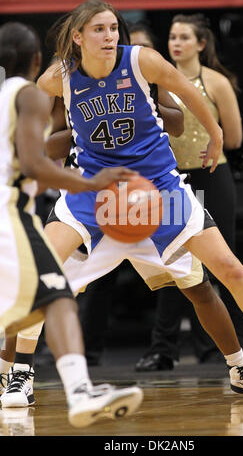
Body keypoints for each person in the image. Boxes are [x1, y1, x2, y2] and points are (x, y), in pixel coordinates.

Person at [1, 0, 243, 407]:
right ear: (77, 37)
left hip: (159, 190)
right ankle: (19, 375)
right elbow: (28, 122)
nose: (109, 36)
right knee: (43, 273)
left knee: (223, 271)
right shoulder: (59, 78)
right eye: (99, 30)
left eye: (112, 28)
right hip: (95, 194)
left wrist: (213, 130)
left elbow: (186, 93)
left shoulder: (143, 60)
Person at [0, 21, 143, 427]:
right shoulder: (26, 94)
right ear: (34, 61)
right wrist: (88, 181)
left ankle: (14, 379)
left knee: (43, 298)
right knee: (58, 295)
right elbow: (33, 163)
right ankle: (79, 392)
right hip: (9, 213)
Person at [135, 15, 243, 371]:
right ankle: (164, 348)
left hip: (212, 176)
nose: (176, 43)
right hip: (170, 180)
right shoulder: (155, 79)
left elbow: (233, 139)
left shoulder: (216, 82)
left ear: (201, 44)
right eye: (172, 37)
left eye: (184, 37)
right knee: (172, 261)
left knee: (225, 263)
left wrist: (208, 142)